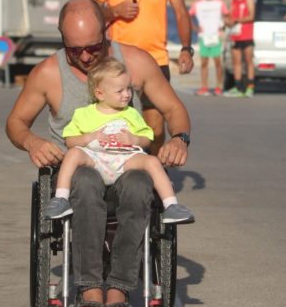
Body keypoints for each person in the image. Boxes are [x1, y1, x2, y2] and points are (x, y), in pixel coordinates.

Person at [5, 0, 191, 307]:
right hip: (82, 170)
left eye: (94, 47)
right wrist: (31, 141)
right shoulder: (48, 72)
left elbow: (174, 109)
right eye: (75, 51)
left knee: (137, 186)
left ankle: (120, 287)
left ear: (106, 31)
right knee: (86, 183)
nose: (87, 57)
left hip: (126, 165)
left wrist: (179, 139)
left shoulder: (134, 61)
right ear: (62, 39)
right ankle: (89, 287)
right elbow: (15, 123)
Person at [44, 57, 194, 225]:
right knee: (73, 154)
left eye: (129, 89)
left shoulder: (131, 114)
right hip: (96, 159)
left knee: (152, 161)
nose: (127, 94)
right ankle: (61, 199)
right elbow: (70, 141)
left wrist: (134, 139)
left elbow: (147, 139)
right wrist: (90, 137)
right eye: (120, 91)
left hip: (125, 160)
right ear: (100, 94)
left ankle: (171, 206)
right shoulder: (84, 114)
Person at [92, 0, 194, 155]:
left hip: (155, 59)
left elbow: (181, 11)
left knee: (155, 130)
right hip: (116, 62)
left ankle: (154, 168)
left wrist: (185, 48)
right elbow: (91, 12)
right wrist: (114, 11)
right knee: (116, 123)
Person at [189, 0, 229, 96]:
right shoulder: (198, 4)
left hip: (216, 36)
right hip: (204, 36)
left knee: (218, 62)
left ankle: (218, 87)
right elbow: (188, 15)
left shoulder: (219, 2)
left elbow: (227, 15)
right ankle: (204, 87)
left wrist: (224, 26)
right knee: (204, 63)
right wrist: (194, 27)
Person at [224, 0, 256, 98]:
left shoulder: (248, 0)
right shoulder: (233, 0)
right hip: (235, 35)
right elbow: (229, 15)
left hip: (246, 35)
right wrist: (227, 21)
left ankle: (250, 87)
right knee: (236, 62)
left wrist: (237, 20)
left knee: (248, 61)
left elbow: (251, 16)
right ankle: (238, 87)